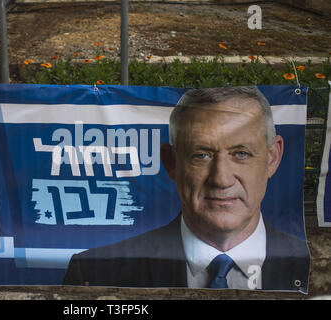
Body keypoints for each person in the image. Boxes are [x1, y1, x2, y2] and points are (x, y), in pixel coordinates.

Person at [62, 86, 310, 291]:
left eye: (241, 154)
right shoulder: (95, 273)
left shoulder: (313, 268)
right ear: (171, 162)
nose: (221, 179)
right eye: (201, 155)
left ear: (272, 158)